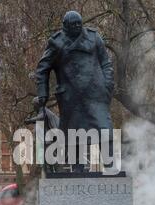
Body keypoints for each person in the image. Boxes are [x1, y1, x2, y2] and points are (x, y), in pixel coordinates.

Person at [35, 10, 115, 173]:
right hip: (71, 97)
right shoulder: (56, 43)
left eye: (79, 23)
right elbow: (42, 69)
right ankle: (77, 169)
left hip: (96, 94)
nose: (77, 26)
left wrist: (108, 86)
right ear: (65, 26)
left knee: (104, 128)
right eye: (73, 24)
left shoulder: (94, 37)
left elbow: (106, 63)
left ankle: (110, 166)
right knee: (74, 132)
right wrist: (43, 93)